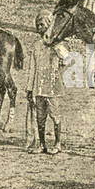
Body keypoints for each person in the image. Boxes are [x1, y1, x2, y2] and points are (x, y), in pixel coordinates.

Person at [25, 10, 69, 154]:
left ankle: (57, 143)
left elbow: (67, 59)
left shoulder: (58, 44)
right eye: (37, 25)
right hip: (39, 87)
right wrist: (29, 88)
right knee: (40, 117)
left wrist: (55, 45)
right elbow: (33, 68)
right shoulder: (37, 45)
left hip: (52, 87)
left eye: (42, 25)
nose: (39, 28)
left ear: (49, 25)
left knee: (55, 115)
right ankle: (42, 144)